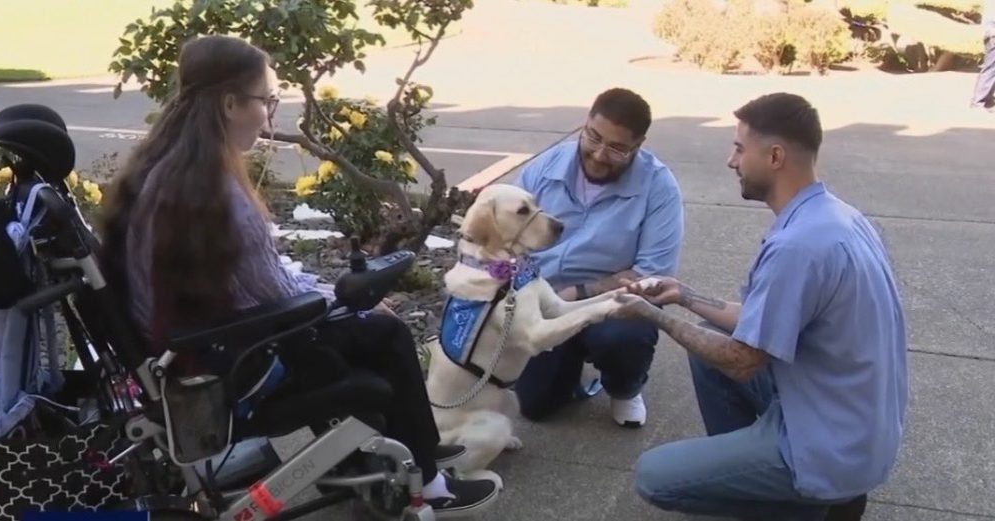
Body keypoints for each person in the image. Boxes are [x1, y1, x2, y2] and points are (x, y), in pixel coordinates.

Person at [96, 34, 499, 517]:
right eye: (266, 101)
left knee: (359, 324)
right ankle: (430, 482)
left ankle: (416, 448)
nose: (269, 113)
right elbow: (280, 294)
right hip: (226, 367)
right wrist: (348, 298)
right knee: (383, 331)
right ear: (228, 103)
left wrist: (331, 297)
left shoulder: (157, 168)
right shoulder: (216, 193)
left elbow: (259, 282)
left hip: (182, 354)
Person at [624, 92, 908, 521]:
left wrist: (653, 316)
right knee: (710, 344)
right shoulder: (835, 216)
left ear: (774, 156)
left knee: (652, 475)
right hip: (859, 426)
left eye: (739, 148)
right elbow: (759, 323)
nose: (730, 161)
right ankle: (780, 480)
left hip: (831, 445)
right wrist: (682, 294)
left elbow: (742, 361)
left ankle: (801, 499)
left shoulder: (798, 247)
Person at [512, 87, 684, 427]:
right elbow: (510, 234)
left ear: (639, 144)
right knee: (534, 406)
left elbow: (653, 274)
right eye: (593, 137)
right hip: (542, 300)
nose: (600, 155)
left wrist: (579, 293)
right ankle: (569, 366)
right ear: (585, 123)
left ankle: (625, 387)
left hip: (608, 306)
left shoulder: (660, 187)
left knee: (624, 337)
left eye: (618, 148)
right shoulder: (544, 167)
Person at [970, 0, 995, 110]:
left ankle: (987, 99)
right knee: (990, 69)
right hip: (993, 35)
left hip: (991, 34)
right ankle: (978, 101)